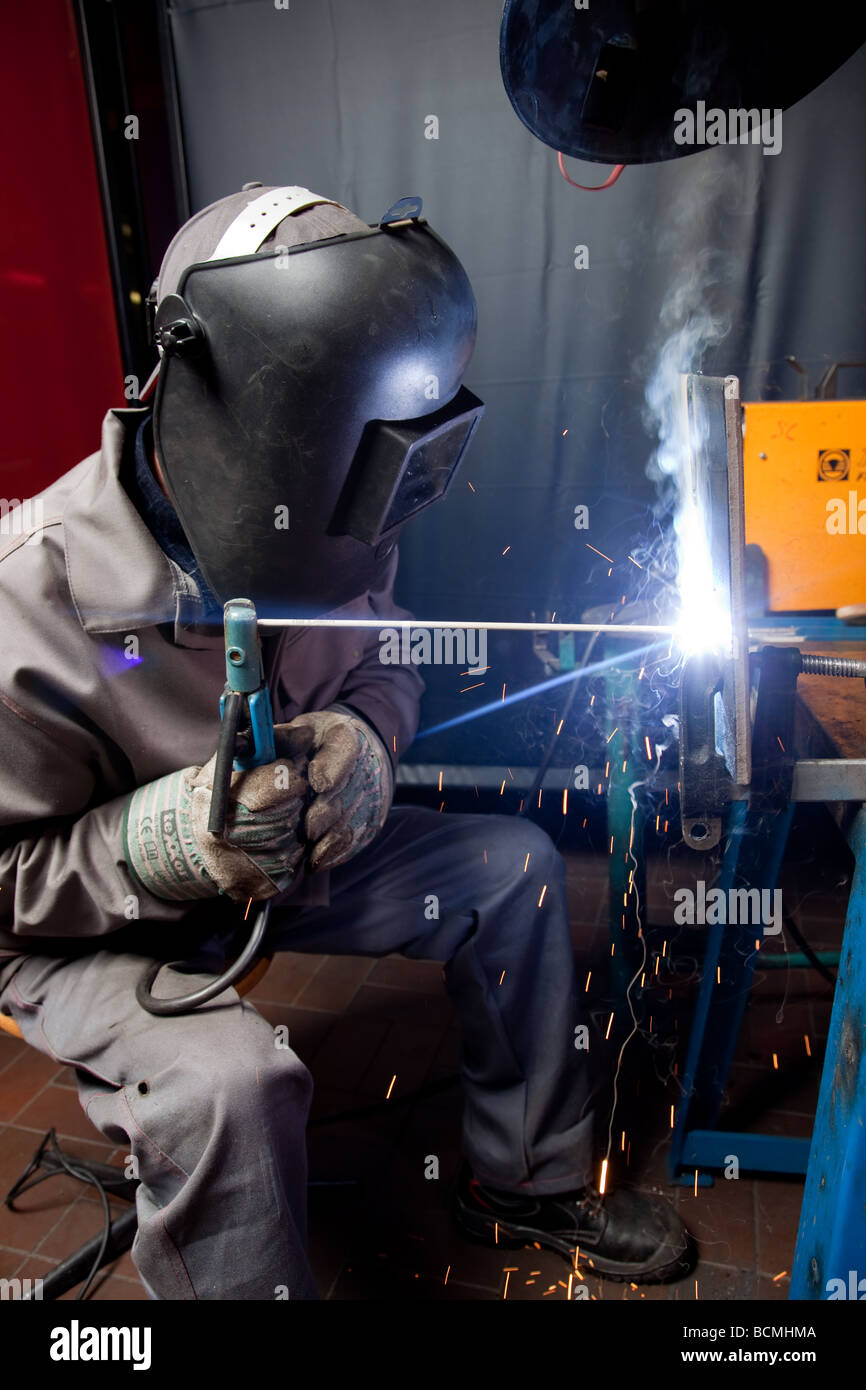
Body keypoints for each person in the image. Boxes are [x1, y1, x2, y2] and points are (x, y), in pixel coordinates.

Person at [0, 184, 693, 1299]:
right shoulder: (26, 599)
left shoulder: (340, 493)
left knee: (511, 869)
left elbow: (385, 660)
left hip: (282, 864)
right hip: (93, 932)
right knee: (227, 1084)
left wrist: (366, 743)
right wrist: (156, 842)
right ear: (220, 408)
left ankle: (520, 1180)